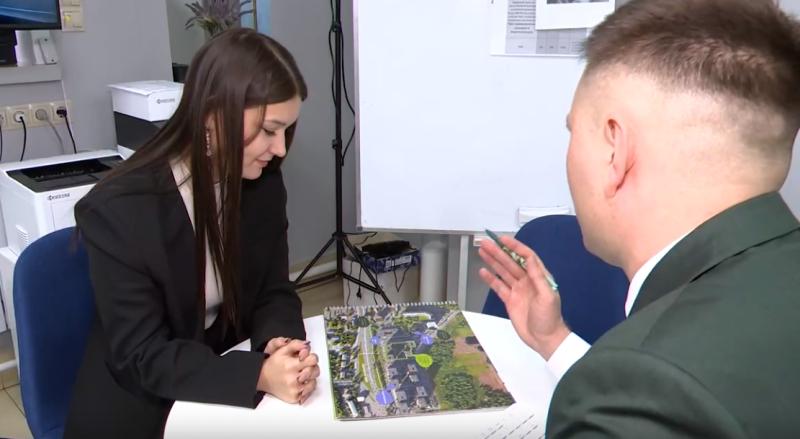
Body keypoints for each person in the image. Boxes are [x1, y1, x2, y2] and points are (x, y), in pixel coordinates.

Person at [479, 0, 800, 436]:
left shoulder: (640, 384)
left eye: (573, 131)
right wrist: (553, 340)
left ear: (615, 150)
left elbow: (660, 389)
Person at [65, 28, 320, 438]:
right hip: (142, 400)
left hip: (218, 370)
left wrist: (278, 344)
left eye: (286, 131)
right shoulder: (118, 210)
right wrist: (258, 374)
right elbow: (142, 354)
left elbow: (273, 289)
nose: (280, 149)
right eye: (270, 130)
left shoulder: (262, 182)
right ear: (212, 115)